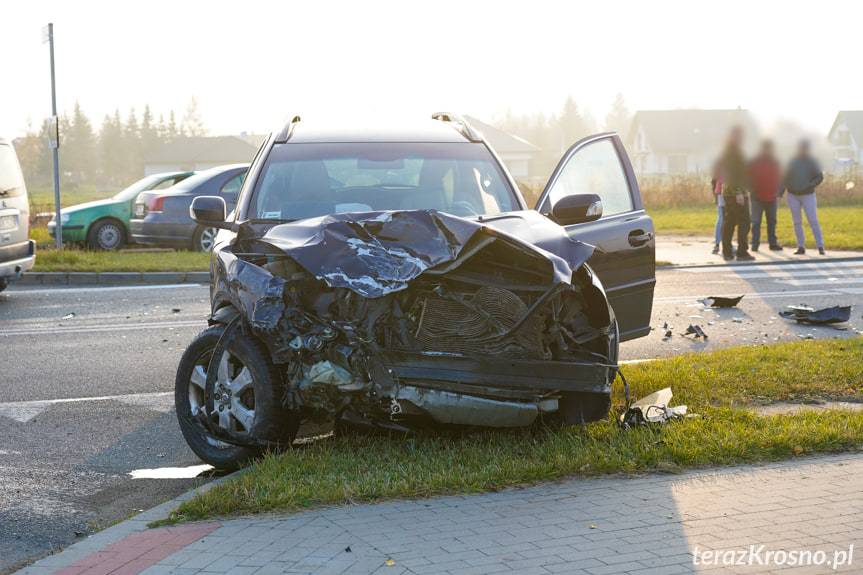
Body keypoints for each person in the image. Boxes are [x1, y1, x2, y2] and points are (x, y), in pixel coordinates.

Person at [717, 126, 754, 261]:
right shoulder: (733, 151)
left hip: (730, 192)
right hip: (735, 192)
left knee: (730, 222)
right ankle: (742, 252)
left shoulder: (729, 150)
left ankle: (727, 252)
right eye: (740, 136)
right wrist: (739, 192)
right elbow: (733, 174)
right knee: (744, 221)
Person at [783, 140, 825, 255]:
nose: (802, 150)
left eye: (804, 148)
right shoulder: (791, 161)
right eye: (800, 148)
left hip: (808, 195)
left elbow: (820, 177)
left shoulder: (812, 162)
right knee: (797, 222)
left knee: (813, 220)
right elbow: (784, 177)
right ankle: (801, 247)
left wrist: (811, 184)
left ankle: (820, 246)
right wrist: (782, 191)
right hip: (793, 195)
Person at [748, 140, 783, 251]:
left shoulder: (776, 161)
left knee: (772, 222)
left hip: (772, 197)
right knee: (756, 222)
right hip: (756, 198)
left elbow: (781, 178)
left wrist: (779, 193)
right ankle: (755, 244)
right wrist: (752, 191)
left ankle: (773, 244)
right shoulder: (754, 161)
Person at [710, 167, 724, 254]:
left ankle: (724, 243)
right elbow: (714, 183)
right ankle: (717, 244)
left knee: (726, 220)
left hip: (724, 195)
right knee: (721, 219)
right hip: (721, 195)